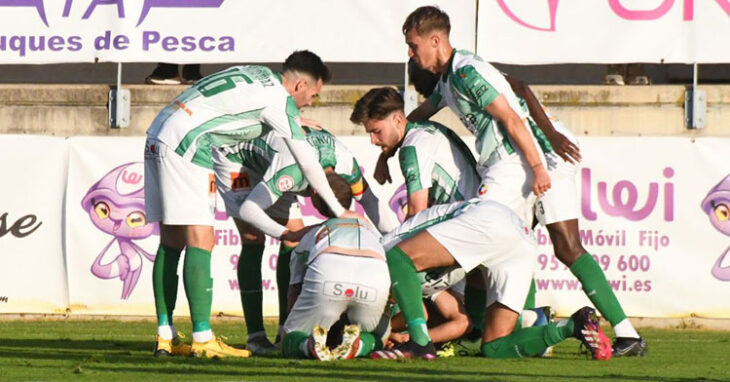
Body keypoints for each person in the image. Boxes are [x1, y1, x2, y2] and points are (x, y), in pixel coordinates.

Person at [401, 6, 646, 356]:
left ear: (435, 40)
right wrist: (388, 146)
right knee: (518, 243)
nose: (411, 54)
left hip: (534, 157)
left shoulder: (468, 71)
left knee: (525, 240)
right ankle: (546, 323)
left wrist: (539, 162)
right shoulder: (449, 79)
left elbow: (514, 118)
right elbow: (421, 114)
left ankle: (601, 331)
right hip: (523, 159)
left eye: (413, 45)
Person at [145, 50, 358, 358]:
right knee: (201, 239)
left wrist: (292, 119)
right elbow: (309, 163)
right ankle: (203, 339)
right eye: (313, 94)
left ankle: (165, 336)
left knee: (171, 240)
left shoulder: (259, 74)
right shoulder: (279, 102)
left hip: (161, 130)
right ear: (299, 86)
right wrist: (339, 211)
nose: (311, 101)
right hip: (191, 144)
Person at [211, 126, 398, 354]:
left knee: (294, 244)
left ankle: (283, 330)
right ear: (316, 193)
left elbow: (370, 201)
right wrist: (286, 233)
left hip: (279, 161)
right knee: (253, 237)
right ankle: (255, 337)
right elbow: (249, 210)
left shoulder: (348, 167)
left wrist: (397, 241)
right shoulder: (292, 172)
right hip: (237, 158)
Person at [370, 198, 612, 360]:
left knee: (397, 258)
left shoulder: (382, 262)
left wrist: (414, 338)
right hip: (520, 240)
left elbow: (400, 264)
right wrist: (401, 336)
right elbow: (456, 320)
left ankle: (419, 344)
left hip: (486, 218)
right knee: (495, 347)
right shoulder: (412, 288)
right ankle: (572, 325)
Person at [281, 173, 391, 360]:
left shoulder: (312, 234)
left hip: (328, 269)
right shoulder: (373, 232)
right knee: (380, 337)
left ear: (315, 198)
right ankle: (360, 346)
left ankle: (309, 346)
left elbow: (294, 292)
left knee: (289, 339)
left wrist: (296, 325)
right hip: (375, 273)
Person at [350, 86, 479, 219]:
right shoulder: (425, 128)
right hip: (477, 213)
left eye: (377, 132)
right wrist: (384, 157)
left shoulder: (412, 148)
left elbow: (415, 215)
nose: (373, 141)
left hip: (467, 222)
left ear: (397, 120)